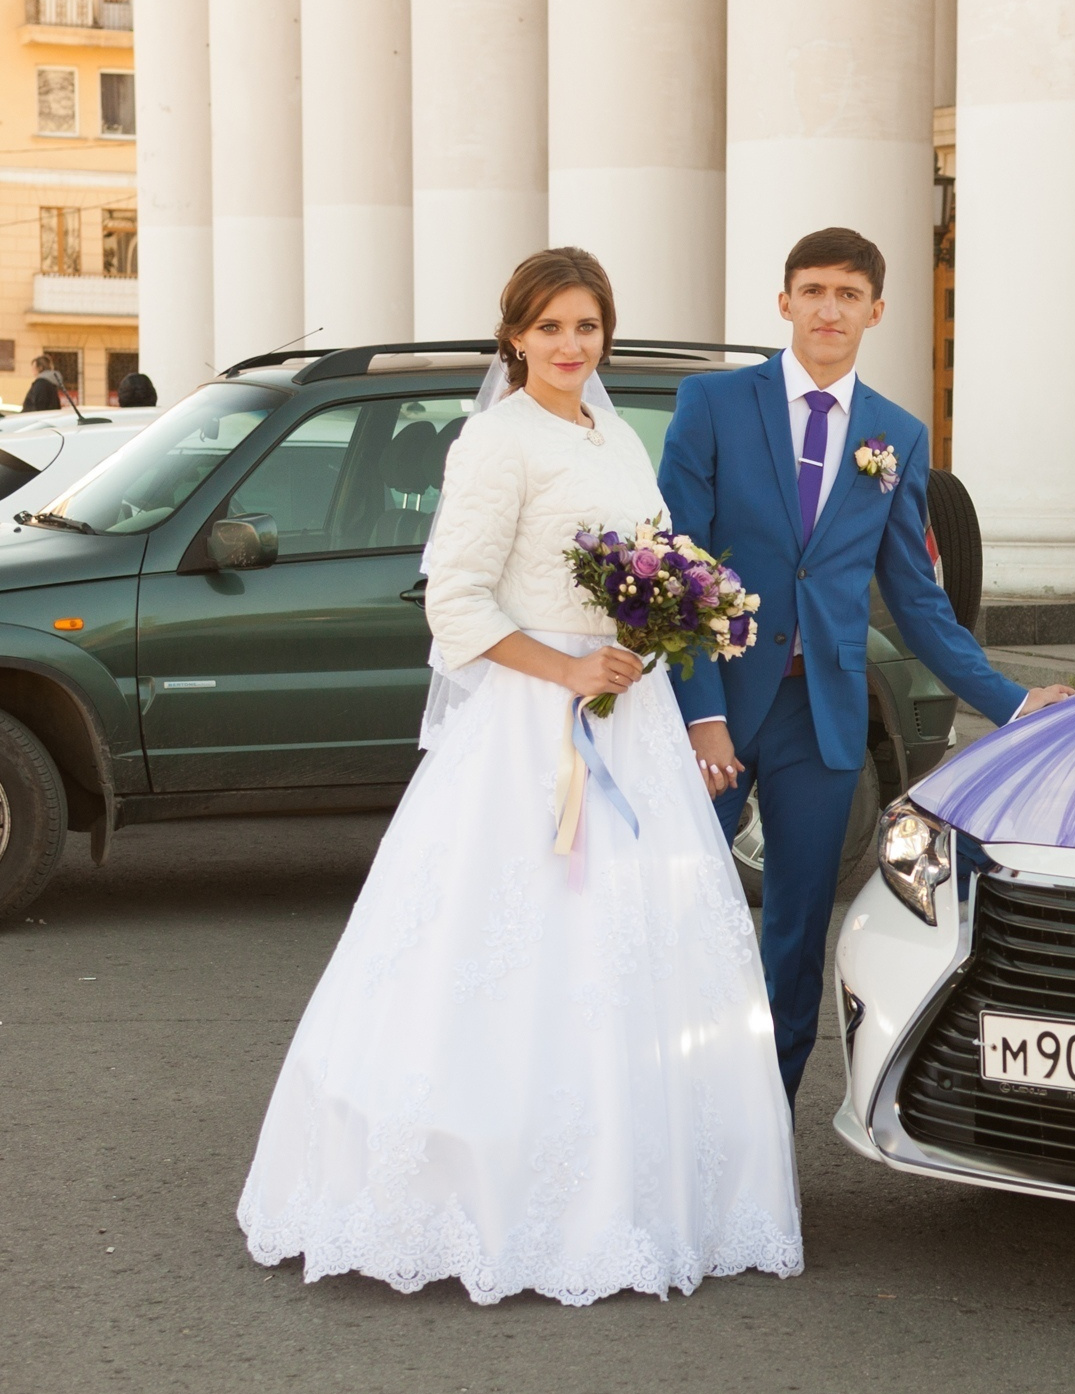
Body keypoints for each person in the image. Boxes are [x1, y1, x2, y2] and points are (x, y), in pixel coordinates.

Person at [237, 247, 803, 1305]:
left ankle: (629, 1189)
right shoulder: (496, 441)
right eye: (550, 328)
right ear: (515, 337)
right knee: (508, 948)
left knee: (633, 954)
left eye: (587, 327)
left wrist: (672, 618)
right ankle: (482, 1194)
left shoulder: (618, 435)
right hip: (530, 725)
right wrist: (565, 669)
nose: (570, 346)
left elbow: (650, 558)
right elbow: (454, 599)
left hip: (623, 711)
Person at [659, 227, 1073, 1103]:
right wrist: (699, 715)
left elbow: (918, 600)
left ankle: (761, 1131)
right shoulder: (713, 406)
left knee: (800, 928)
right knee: (676, 914)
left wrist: (1010, 701)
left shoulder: (897, 435)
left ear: (876, 311)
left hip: (825, 716)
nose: (828, 309)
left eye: (848, 295)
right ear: (784, 302)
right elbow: (679, 575)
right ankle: (666, 1112)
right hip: (717, 710)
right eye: (812, 291)